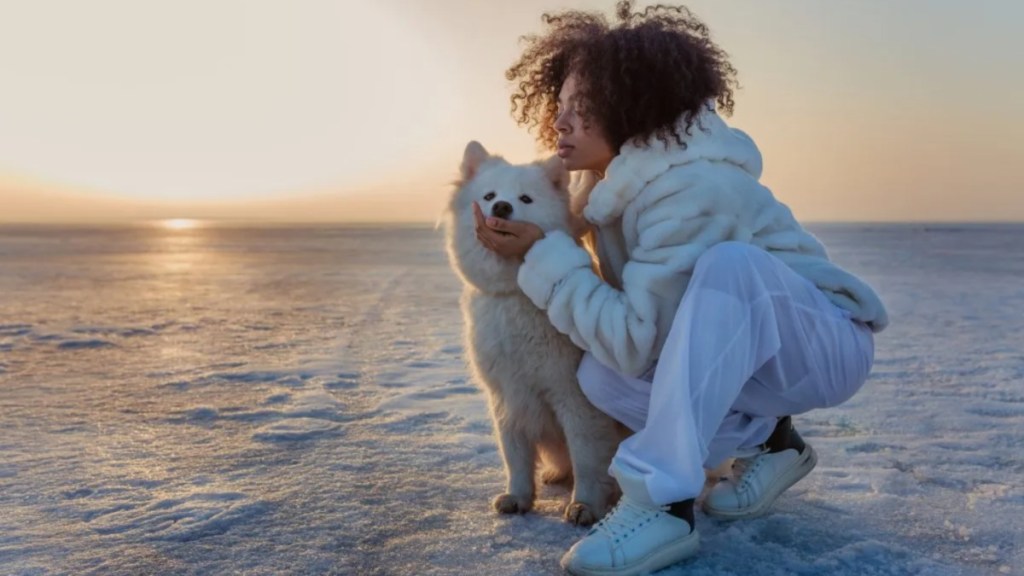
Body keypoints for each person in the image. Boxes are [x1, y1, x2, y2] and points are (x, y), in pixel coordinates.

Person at [473, 2, 888, 575]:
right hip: (749, 358)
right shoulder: (607, 189)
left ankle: (661, 504)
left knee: (729, 268)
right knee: (598, 376)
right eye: (560, 106)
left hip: (821, 344)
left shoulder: (695, 188)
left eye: (582, 107)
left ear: (634, 106)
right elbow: (635, 344)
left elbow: (640, 341)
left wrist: (543, 253)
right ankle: (770, 440)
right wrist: (532, 243)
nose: (561, 122)